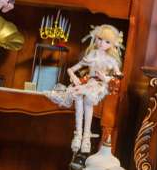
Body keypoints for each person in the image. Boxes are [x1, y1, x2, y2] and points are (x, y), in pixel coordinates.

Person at [46, 24, 123, 153]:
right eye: (99, 39)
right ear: (95, 38)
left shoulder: (111, 60)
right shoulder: (92, 55)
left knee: (87, 99)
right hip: (89, 83)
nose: (101, 43)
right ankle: (78, 135)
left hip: (100, 85)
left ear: (111, 44)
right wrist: (74, 77)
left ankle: (86, 137)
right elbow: (71, 69)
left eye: (107, 42)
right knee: (78, 95)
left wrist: (105, 78)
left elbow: (118, 77)